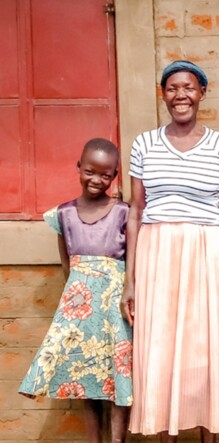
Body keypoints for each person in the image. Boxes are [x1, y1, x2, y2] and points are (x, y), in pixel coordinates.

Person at [121, 60, 219, 442]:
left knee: (206, 350)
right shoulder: (144, 144)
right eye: (172, 88)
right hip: (156, 255)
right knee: (159, 351)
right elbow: (136, 212)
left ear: (201, 93)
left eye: (188, 88)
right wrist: (130, 280)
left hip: (207, 252)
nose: (181, 95)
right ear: (163, 96)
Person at [19, 138, 132, 443]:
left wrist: (126, 295)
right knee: (85, 375)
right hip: (80, 307)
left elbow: (132, 261)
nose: (97, 180)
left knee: (117, 375)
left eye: (106, 175)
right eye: (91, 171)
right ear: (79, 167)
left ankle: (118, 440)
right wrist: (77, 298)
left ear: (115, 175)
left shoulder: (123, 212)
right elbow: (68, 264)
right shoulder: (64, 215)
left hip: (114, 307)